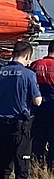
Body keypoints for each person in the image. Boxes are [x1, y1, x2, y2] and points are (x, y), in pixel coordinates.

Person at [0, 41, 42, 179]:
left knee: (3, 167)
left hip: (1, 125)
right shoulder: (28, 75)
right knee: (22, 169)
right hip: (20, 127)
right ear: (27, 55)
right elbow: (37, 101)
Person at [29, 40, 54, 170]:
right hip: (52, 110)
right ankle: (51, 169)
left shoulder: (35, 65)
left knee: (37, 141)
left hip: (37, 110)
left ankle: (36, 168)